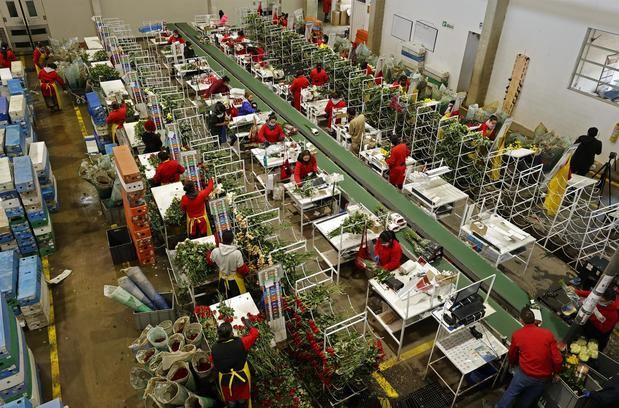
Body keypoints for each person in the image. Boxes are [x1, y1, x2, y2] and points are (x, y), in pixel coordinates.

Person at [496, 307, 563, 408]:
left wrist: (513, 363)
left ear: (521, 320)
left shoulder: (517, 335)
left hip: (525, 375)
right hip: (543, 377)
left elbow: (512, 355)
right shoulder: (548, 334)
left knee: (511, 393)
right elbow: (558, 359)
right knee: (528, 398)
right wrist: (556, 372)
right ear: (535, 320)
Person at [210, 320, 259, 407]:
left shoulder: (214, 348)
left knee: (231, 402)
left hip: (226, 382)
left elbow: (211, 362)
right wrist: (248, 325)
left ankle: (232, 404)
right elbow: (255, 334)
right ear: (231, 334)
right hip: (241, 380)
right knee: (242, 400)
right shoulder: (242, 343)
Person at [573, 287, 618, 351]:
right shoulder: (599, 298)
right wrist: (576, 291)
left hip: (598, 333)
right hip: (589, 324)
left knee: (591, 349)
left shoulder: (613, 315)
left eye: (601, 301)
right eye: (598, 299)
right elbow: (591, 295)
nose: (598, 301)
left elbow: (604, 330)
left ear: (610, 302)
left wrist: (594, 315)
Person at [210, 230, 251, 298]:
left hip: (222, 280)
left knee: (227, 300)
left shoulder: (215, 251)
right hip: (235, 282)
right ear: (232, 240)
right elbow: (242, 269)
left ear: (222, 239)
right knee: (239, 299)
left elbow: (210, 260)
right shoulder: (237, 253)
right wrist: (248, 271)